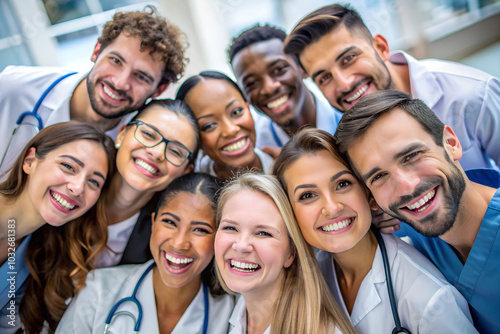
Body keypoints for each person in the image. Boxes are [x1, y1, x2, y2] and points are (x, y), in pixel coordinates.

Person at [273, 127, 477, 333]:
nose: (332, 207)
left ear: (369, 193)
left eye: (343, 184)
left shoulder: (430, 299)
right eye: (307, 195)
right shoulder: (306, 279)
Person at [20, 99, 199, 333]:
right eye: (148, 134)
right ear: (122, 134)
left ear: (186, 170)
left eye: (175, 151)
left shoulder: (160, 242)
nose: (156, 152)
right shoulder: (67, 189)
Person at [334, 90, 500, 333]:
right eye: (379, 176)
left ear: (451, 144)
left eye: (411, 156)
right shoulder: (402, 236)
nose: (406, 187)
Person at [283, 4, 500, 171]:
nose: (344, 83)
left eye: (349, 58)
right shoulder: (341, 138)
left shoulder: (471, 95)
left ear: (381, 47)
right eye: (324, 77)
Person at [0, 6, 187, 176]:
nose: (120, 83)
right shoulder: (13, 88)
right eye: (115, 61)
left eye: (141, 77)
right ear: (96, 51)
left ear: (159, 90)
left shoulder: (136, 148)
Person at [55, 172, 234, 333]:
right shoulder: (98, 290)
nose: (179, 243)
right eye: (170, 222)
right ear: (153, 223)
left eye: (200, 230)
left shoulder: (229, 314)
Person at [0, 121, 115, 333]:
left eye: (94, 182)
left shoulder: (35, 257)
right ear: (30, 161)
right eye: (68, 166)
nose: (78, 188)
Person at [215, 173, 355, 334]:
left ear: (291, 253)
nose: (241, 245)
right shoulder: (239, 317)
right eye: (230, 228)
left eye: (263, 233)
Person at [228, 25, 343, 155]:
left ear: (302, 67)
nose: (269, 88)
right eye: (252, 83)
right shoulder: (256, 151)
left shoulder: (347, 120)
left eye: (279, 70)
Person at [177, 71, 273, 181]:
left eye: (236, 112)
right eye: (209, 125)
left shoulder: (284, 166)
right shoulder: (192, 193)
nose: (230, 130)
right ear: (195, 140)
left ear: (248, 108)